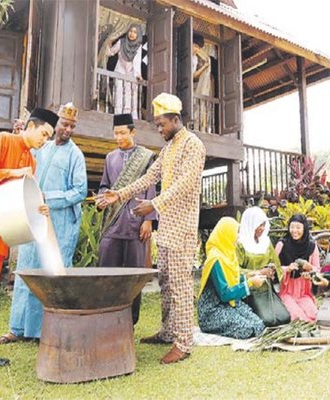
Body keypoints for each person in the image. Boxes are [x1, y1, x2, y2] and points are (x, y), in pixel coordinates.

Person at [97, 93, 206, 364]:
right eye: (157, 124)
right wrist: (119, 195)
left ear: (176, 119)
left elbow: (184, 184)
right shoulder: (168, 149)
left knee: (180, 286)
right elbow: (149, 176)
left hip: (182, 228)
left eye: (161, 124)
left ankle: (184, 343)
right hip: (166, 228)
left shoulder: (193, 145)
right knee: (167, 282)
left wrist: (152, 204)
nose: (159, 129)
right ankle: (168, 332)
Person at [0, 108, 59, 367]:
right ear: (30, 126)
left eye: (48, 137)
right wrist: (13, 173)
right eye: (43, 134)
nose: (44, 141)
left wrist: (38, 207)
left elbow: (24, 199)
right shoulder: (2, 140)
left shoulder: (32, 162)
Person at [0, 102, 87, 344]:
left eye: (72, 126)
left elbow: (79, 191)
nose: (67, 129)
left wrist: (50, 198)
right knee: (26, 271)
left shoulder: (75, 154)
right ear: (56, 125)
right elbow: (23, 159)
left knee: (49, 275)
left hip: (59, 224)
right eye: (64, 124)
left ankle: (41, 331)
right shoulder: (41, 148)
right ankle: (16, 329)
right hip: (31, 219)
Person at [97, 113, 156, 325]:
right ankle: (105, 317)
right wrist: (102, 198)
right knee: (106, 272)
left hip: (136, 223)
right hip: (113, 223)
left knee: (134, 276)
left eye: (122, 133)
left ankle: (130, 321)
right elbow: (105, 185)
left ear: (133, 132)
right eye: (116, 133)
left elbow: (151, 187)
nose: (118, 137)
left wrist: (149, 219)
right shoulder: (110, 157)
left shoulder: (147, 156)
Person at [198, 217, 265, 338]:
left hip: (229, 305)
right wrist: (249, 283)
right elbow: (225, 294)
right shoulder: (215, 260)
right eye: (236, 233)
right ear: (226, 234)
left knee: (259, 325)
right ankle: (210, 326)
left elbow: (231, 279)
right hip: (213, 310)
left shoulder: (228, 254)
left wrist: (248, 277)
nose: (238, 237)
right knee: (247, 329)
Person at [276, 214, 320, 322]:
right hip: (286, 291)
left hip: (304, 291)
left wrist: (309, 268)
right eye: (292, 227)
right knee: (298, 317)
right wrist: (287, 269)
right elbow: (274, 268)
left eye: (298, 227)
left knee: (315, 316)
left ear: (304, 228)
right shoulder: (282, 244)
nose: (294, 231)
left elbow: (317, 270)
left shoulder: (311, 246)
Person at [107, 24, 143, 119]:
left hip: (131, 74)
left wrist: (138, 75)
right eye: (130, 31)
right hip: (120, 72)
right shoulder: (121, 42)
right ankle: (118, 116)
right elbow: (111, 52)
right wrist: (108, 42)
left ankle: (131, 118)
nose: (132, 34)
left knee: (130, 96)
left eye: (135, 32)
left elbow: (137, 62)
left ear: (138, 34)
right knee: (119, 94)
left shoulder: (138, 47)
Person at [192, 33, 211, 133]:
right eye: (194, 46)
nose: (195, 49)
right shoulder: (185, 55)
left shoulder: (195, 58)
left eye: (197, 47)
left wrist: (204, 67)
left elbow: (193, 75)